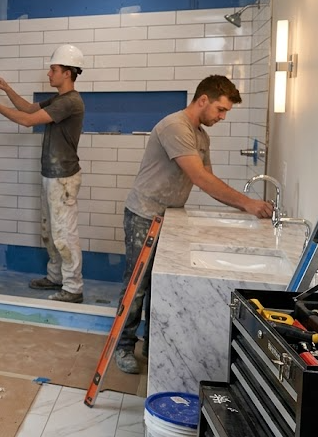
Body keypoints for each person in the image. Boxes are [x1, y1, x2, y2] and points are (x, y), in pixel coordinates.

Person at [113, 74, 274, 374]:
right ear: (203, 100)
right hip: (144, 215)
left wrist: (245, 209)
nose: (223, 117)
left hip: (169, 217)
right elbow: (200, 177)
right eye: (220, 109)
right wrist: (248, 203)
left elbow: (207, 180)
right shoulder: (175, 126)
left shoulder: (201, 135)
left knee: (158, 284)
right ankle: (122, 346)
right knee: (137, 285)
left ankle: (151, 344)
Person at [0, 44, 85, 303]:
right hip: (52, 175)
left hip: (63, 178)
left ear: (68, 73)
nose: (49, 74)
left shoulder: (70, 102)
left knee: (64, 233)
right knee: (50, 230)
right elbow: (28, 108)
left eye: (53, 70)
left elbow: (27, 121)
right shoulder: (60, 99)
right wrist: (5, 90)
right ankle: (55, 277)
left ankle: (73, 288)